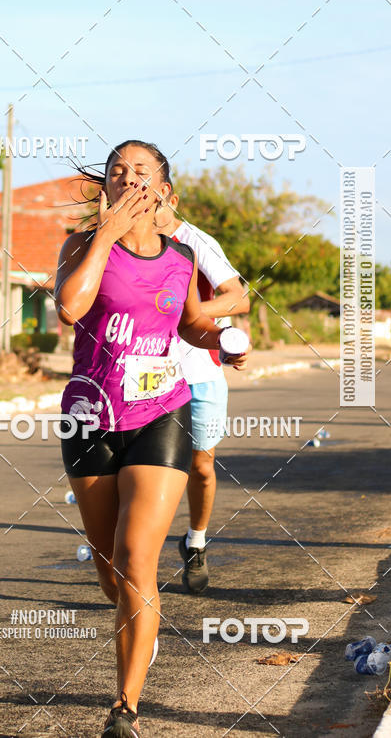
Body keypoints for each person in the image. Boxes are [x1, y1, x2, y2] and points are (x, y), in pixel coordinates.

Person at [54, 140, 249, 737]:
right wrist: (107, 236)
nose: (129, 179)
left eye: (143, 172)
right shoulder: (80, 246)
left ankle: (125, 708)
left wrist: (222, 340)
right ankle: (136, 627)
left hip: (162, 412)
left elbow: (189, 323)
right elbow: (69, 307)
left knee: (139, 558)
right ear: (106, 188)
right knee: (113, 571)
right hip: (90, 415)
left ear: (164, 189)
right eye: (117, 172)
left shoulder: (182, 257)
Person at [155, 194, 251, 593]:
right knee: (150, 470)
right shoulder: (122, 242)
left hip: (200, 373)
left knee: (202, 467)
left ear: (169, 196)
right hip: (147, 375)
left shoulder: (196, 242)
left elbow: (239, 296)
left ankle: (195, 541)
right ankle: (131, 557)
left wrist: (193, 315)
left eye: (148, 186)